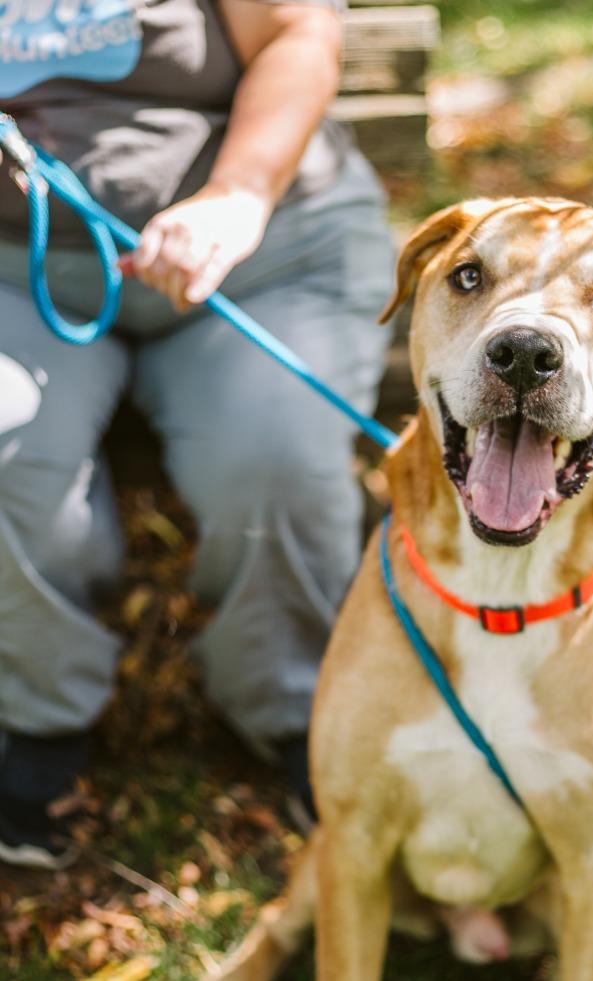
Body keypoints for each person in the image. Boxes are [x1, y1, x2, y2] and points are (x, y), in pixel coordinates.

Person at [0, 0, 395, 868]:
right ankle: (35, 714)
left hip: (266, 256)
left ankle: (294, 707)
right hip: (17, 271)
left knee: (275, 454)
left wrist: (237, 193)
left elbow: (299, 33)